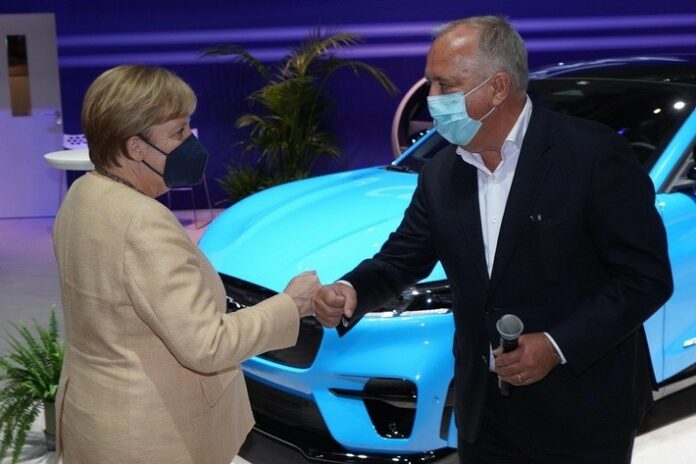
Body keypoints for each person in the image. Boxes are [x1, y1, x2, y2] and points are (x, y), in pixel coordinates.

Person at [313, 16, 673, 464]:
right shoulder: (441, 173)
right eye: (430, 84)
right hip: (484, 414)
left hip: (583, 411)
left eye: (446, 86)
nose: (433, 99)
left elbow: (645, 278)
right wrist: (350, 291)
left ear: (498, 87)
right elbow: (400, 259)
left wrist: (557, 345)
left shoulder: (592, 155)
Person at [52, 64, 320, 464]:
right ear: (135, 147)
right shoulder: (142, 221)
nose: (190, 142)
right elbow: (208, 345)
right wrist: (292, 305)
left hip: (95, 420)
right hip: (152, 436)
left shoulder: (82, 196)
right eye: (178, 132)